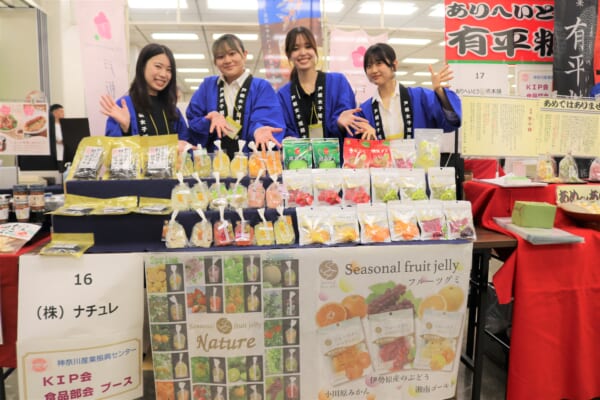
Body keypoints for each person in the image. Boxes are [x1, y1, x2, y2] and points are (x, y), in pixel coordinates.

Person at [186, 34, 284, 158]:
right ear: (215, 62)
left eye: (232, 53)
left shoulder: (261, 87)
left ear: (244, 54)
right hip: (215, 161)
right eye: (220, 57)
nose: (227, 60)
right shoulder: (207, 86)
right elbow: (194, 121)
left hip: (251, 160)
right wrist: (209, 119)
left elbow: (268, 118)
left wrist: (258, 129)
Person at [277, 26, 367, 145]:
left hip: (337, 155)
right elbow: (283, 128)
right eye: (295, 48)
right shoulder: (283, 95)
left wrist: (338, 122)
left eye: (308, 46)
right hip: (299, 156)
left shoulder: (338, 82)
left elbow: (349, 117)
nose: (303, 53)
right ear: (288, 55)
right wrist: (289, 139)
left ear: (315, 50)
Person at [356, 43, 461, 140]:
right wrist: (366, 134)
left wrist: (440, 92)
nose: (374, 70)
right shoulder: (364, 110)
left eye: (379, 63)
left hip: (420, 155)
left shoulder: (420, 97)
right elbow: (354, 141)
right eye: (369, 66)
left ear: (394, 64)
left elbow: (450, 123)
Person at [100, 43, 192, 145]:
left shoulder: (172, 110)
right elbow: (113, 149)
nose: (163, 74)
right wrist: (126, 130)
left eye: (169, 70)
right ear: (142, 66)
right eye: (158, 66)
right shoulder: (125, 105)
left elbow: (186, 143)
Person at [49, 104, 65, 171]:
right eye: (61, 111)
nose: (63, 113)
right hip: (56, 156)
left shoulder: (65, 125)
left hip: (65, 156)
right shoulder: (50, 127)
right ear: (54, 113)